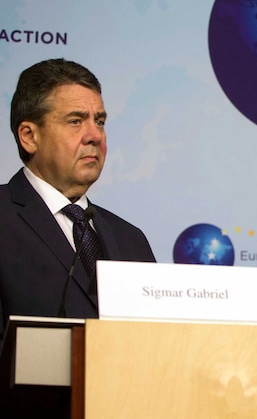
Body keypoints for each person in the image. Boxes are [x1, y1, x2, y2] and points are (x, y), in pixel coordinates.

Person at [0, 58, 157, 415]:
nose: (95, 135)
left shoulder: (131, 239)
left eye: (99, 121)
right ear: (30, 136)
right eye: (76, 121)